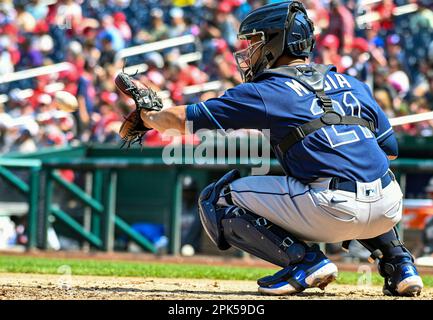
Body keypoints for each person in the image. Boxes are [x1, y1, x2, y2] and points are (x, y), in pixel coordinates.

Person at [120, 1, 423, 296]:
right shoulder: (352, 83)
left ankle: (306, 263)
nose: (248, 52)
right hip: (388, 206)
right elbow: (390, 150)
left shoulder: (267, 89)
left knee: (218, 199)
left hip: (332, 207)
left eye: (254, 42)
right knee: (365, 178)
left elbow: (187, 119)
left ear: (276, 43)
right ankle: (400, 265)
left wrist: (149, 117)